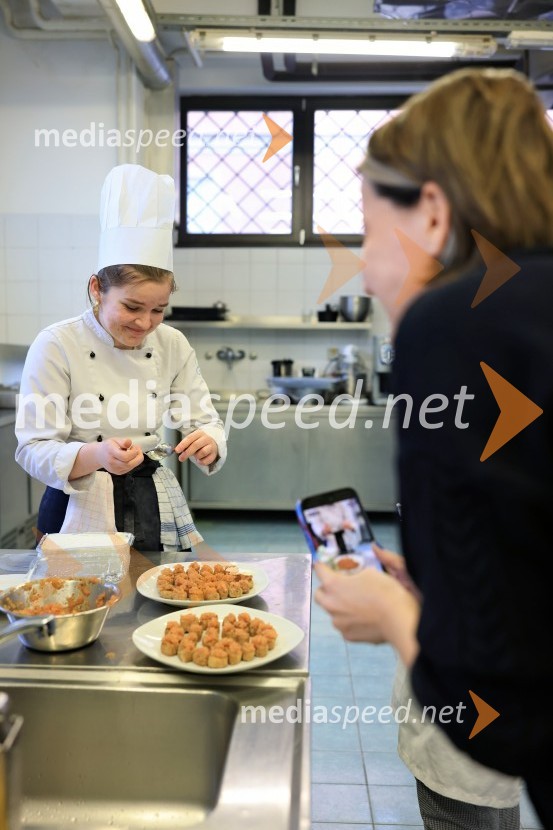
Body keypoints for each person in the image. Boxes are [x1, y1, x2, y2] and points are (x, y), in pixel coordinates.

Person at [315, 67, 553, 826]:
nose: (362, 259)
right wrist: (441, 579)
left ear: (430, 210)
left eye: (364, 229)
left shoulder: (459, 321)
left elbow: (490, 704)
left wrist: (391, 613)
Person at [15, 164, 226, 552]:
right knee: (75, 604)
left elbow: (203, 418)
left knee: (153, 603)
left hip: (150, 500)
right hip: (74, 501)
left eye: (159, 309)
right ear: (97, 289)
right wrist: (96, 454)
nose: (146, 323)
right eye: (132, 307)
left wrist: (209, 440)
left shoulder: (172, 343)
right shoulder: (56, 344)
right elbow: (32, 448)